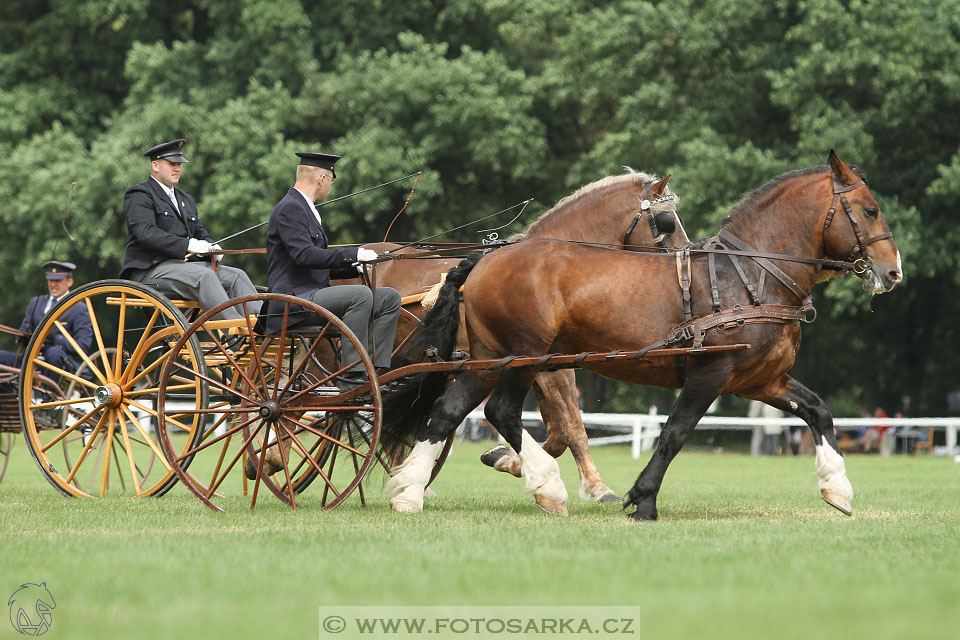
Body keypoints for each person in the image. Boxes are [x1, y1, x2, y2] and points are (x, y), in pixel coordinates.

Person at [265, 151, 401, 378]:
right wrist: (353, 253)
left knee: (388, 298)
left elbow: (315, 261)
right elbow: (305, 256)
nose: (331, 185)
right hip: (292, 301)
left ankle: (375, 369)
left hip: (311, 296)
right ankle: (353, 375)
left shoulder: (306, 208)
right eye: (331, 179)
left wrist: (353, 266)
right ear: (322, 178)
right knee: (359, 296)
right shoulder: (291, 207)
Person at [120, 138, 260, 320]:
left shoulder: (186, 199)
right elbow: (146, 234)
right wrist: (188, 245)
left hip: (183, 268)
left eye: (179, 164)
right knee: (205, 276)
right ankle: (237, 330)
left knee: (237, 276)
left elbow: (199, 231)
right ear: (155, 165)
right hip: (149, 271)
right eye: (172, 164)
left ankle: (263, 327)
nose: (177, 168)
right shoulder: (140, 194)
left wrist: (212, 247)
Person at [0, 260, 92, 391]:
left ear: (69, 282)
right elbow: (23, 333)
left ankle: (47, 403)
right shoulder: (36, 302)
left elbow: (83, 346)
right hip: (34, 360)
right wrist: (22, 336)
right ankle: (8, 402)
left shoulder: (78, 308)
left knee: (53, 353)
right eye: (50, 280)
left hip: (62, 363)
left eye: (58, 280)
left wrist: (57, 339)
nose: (53, 285)